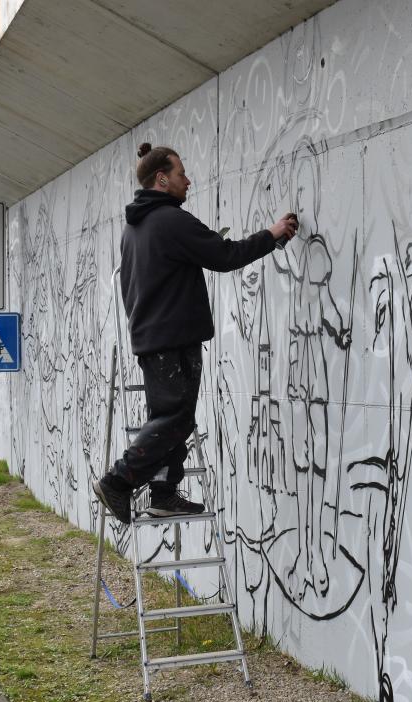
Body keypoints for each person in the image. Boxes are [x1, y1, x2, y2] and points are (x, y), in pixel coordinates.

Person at [94, 143, 298, 524]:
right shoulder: (171, 220)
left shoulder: (133, 228)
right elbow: (225, 256)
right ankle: (118, 481)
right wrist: (272, 234)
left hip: (152, 338)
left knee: (169, 419)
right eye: (181, 173)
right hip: (173, 340)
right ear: (162, 179)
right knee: (174, 419)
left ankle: (164, 493)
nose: (188, 180)